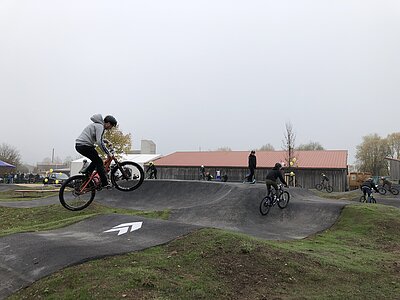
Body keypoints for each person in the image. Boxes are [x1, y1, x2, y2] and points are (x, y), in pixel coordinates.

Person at [75, 114, 117, 189]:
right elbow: (99, 142)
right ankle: (105, 183)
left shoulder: (97, 125)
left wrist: (106, 141)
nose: (110, 128)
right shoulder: (100, 126)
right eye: (111, 126)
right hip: (84, 146)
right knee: (99, 162)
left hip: (81, 145)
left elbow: (97, 138)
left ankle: (87, 174)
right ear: (108, 123)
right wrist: (108, 153)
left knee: (96, 159)